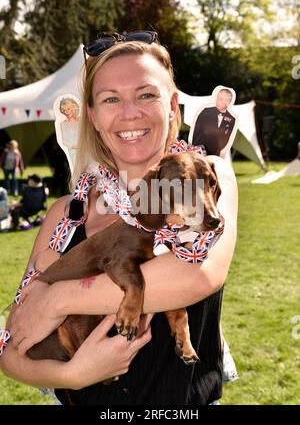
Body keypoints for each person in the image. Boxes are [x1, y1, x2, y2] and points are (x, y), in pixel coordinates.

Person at [0, 31, 238, 405]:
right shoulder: (66, 214)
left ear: (172, 105)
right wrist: (71, 374)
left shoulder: (209, 176)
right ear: (92, 116)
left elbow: (196, 275)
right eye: (111, 99)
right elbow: (13, 347)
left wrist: (57, 299)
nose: (130, 113)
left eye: (146, 95)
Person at [191, 88, 236, 157]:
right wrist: (195, 148)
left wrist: (216, 151)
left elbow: (226, 138)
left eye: (221, 99)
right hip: (198, 152)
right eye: (217, 97)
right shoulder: (206, 112)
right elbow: (196, 131)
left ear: (228, 102)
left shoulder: (231, 119)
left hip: (215, 154)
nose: (217, 101)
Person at [59, 98, 80, 168]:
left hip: (88, 150)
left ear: (73, 108)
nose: (66, 112)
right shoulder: (63, 124)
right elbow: (64, 141)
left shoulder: (82, 120)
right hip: (74, 153)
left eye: (68, 109)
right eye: (64, 110)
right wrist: (77, 147)